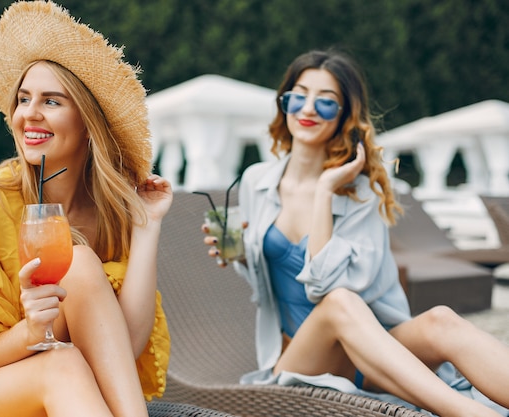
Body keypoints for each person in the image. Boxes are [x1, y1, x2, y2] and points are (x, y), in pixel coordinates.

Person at [203, 49, 509, 417]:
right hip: (302, 360)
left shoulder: (361, 193)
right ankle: (470, 414)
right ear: (284, 102)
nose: (309, 108)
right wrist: (237, 255)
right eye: (298, 95)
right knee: (339, 305)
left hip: (376, 347)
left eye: (326, 102)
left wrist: (324, 193)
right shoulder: (256, 181)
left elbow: (324, 286)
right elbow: (278, 284)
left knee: (439, 319)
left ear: (345, 115)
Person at [0, 2, 172, 417]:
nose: (29, 114)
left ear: (88, 123)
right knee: (65, 338)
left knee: (67, 352)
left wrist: (147, 226)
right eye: (23, 99)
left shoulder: (111, 211)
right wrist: (32, 329)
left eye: (51, 101)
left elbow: (125, 349)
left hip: (73, 384)